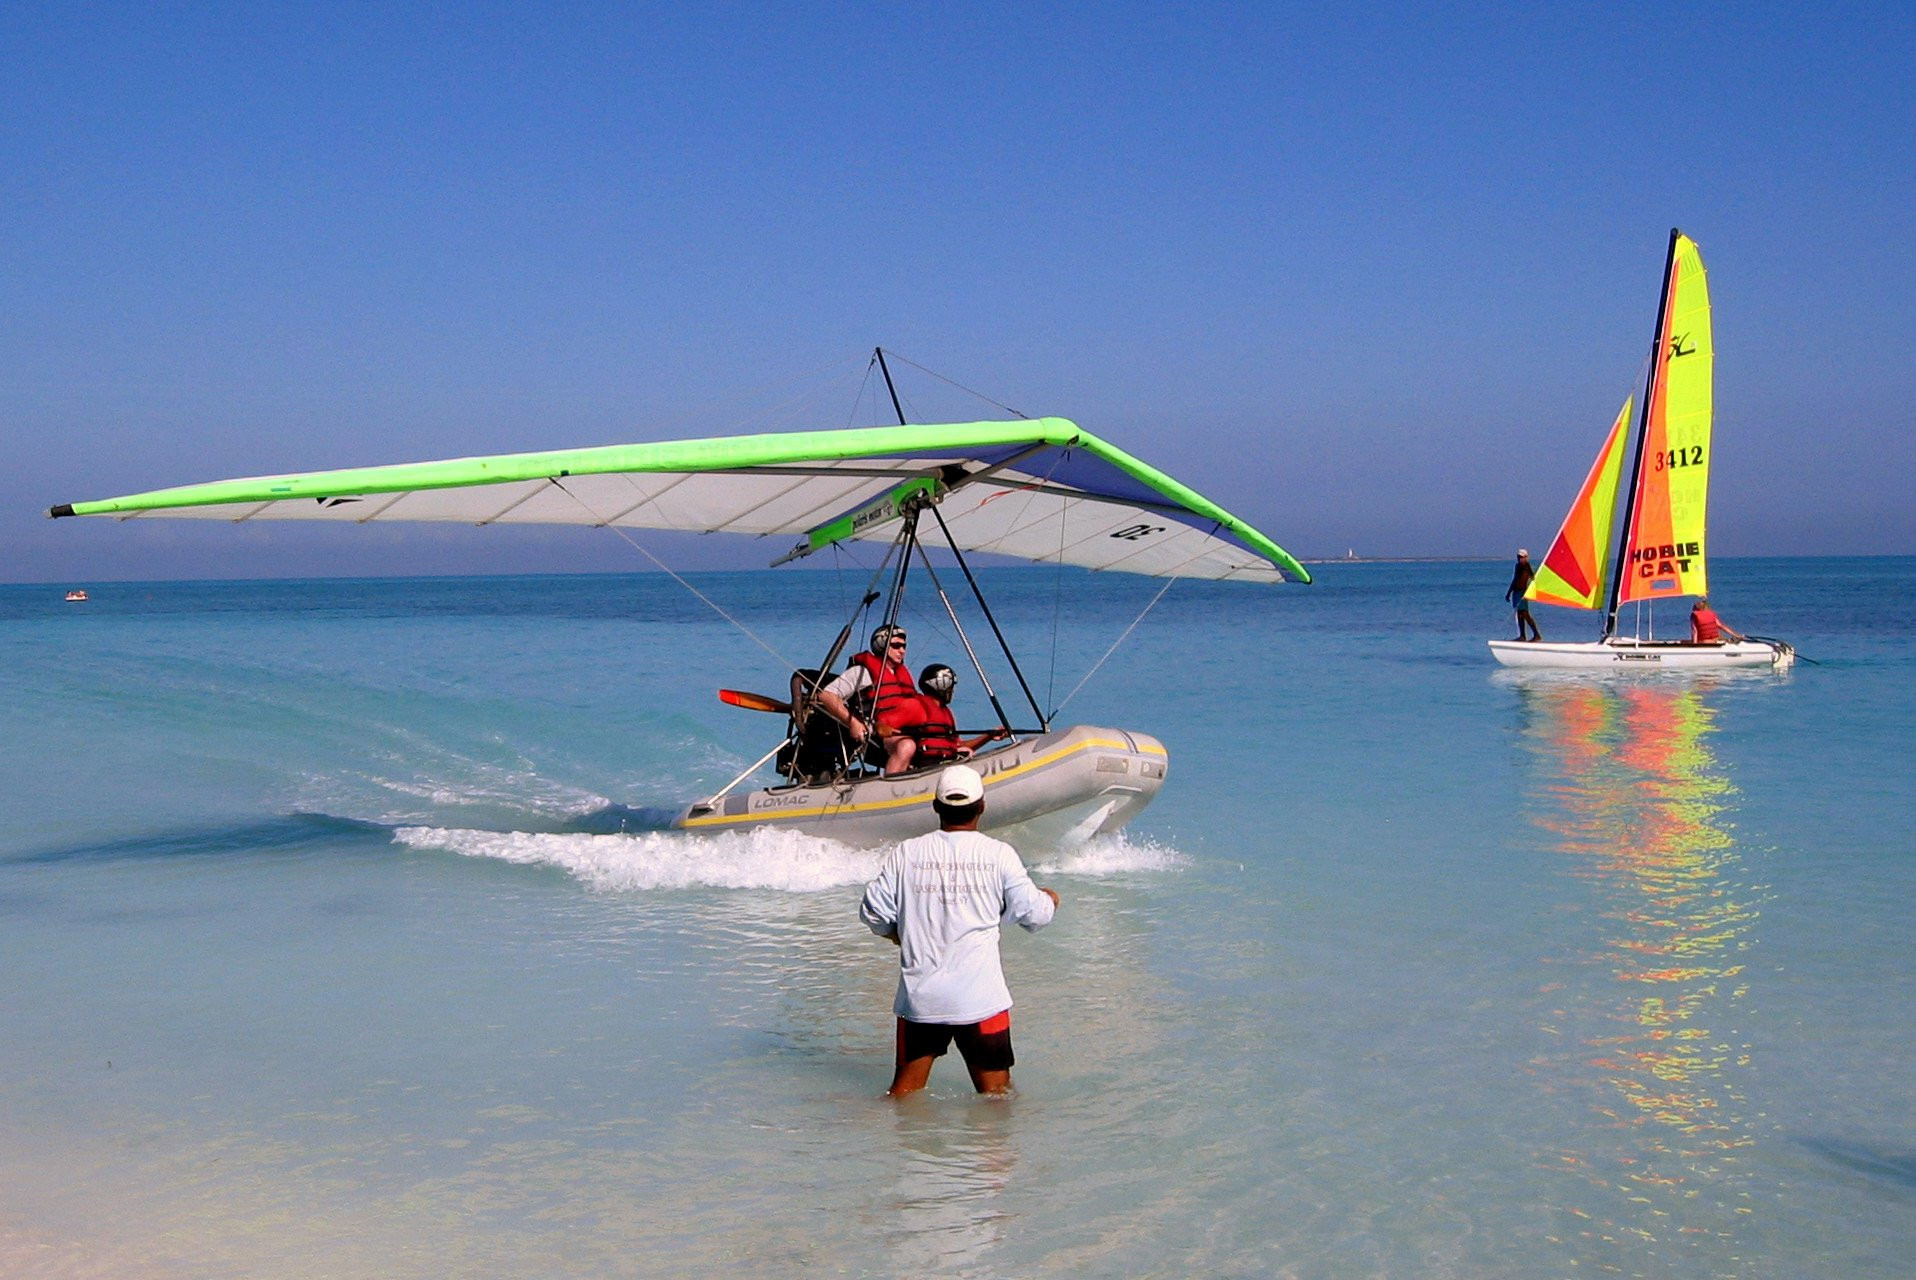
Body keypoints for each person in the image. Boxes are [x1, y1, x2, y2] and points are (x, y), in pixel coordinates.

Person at [858, 765, 1059, 1097]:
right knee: (997, 1100)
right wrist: (1050, 899)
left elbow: (872, 913)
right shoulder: (998, 855)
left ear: (936, 807)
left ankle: (885, 1149)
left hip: (921, 1000)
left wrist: (899, 935)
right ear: (981, 807)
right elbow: (1034, 916)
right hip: (981, 1001)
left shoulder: (906, 853)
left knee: (903, 1097)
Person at [814, 625, 922, 771]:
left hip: (907, 729)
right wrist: (853, 722)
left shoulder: (901, 676)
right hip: (877, 733)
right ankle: (891, 787)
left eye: (904, 646)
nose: (902, 651)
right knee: (907, 746)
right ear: (882, 646)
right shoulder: (862, 672)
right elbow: (827, 695)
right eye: (896, 646)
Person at [884, 663, 1009, 775]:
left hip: (943, 762)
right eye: (950, 686)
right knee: (907, 745)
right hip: (925, 764)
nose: (952, 691)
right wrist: (882, 728)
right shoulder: (916, 705)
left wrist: (989, 736)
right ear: (939, 685)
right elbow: (883, 723)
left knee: (966, 751)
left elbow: (958, 745)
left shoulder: (946, 714)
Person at [1506, 548, 1543, 641]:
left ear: (1526, 557)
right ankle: (1522, 636)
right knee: (1519, 615)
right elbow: (1515, 579)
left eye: (1522, 557)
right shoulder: (1518, 566)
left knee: (1525, 614)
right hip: (1516, 592)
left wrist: (1532, 590)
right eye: (1519, 557)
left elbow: (1533, 577)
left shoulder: (1526, 565)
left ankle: (1536, 635)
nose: (1520, 559)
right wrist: (1509, 593)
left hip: (1522, 592)